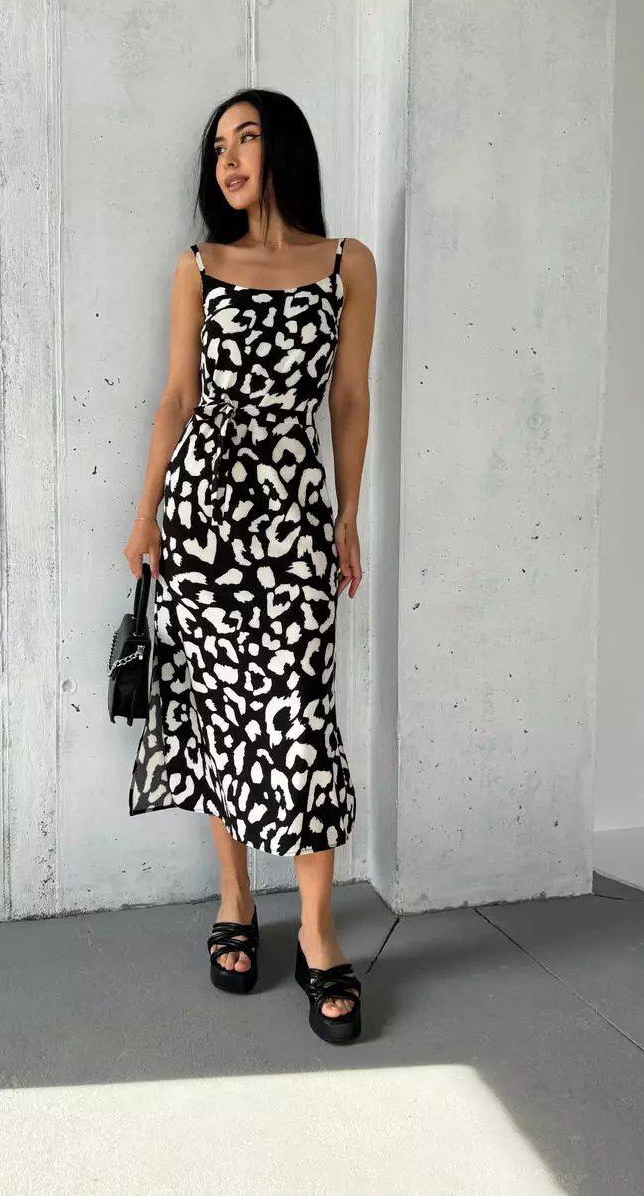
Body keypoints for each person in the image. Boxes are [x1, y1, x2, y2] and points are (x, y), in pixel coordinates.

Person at [123, 87, 376, 1043]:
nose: (228, 159)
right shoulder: (198, 265)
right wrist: (145, 513)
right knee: (218, 711)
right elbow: (176, 396)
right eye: (217, 145)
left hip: (294, 517)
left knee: (300, 715)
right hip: (200, 517)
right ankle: (235, 900)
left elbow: (347, 398)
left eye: (247, 138)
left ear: (286, 149)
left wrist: (347, 512)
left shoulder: (348, 263)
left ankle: (316, 929)